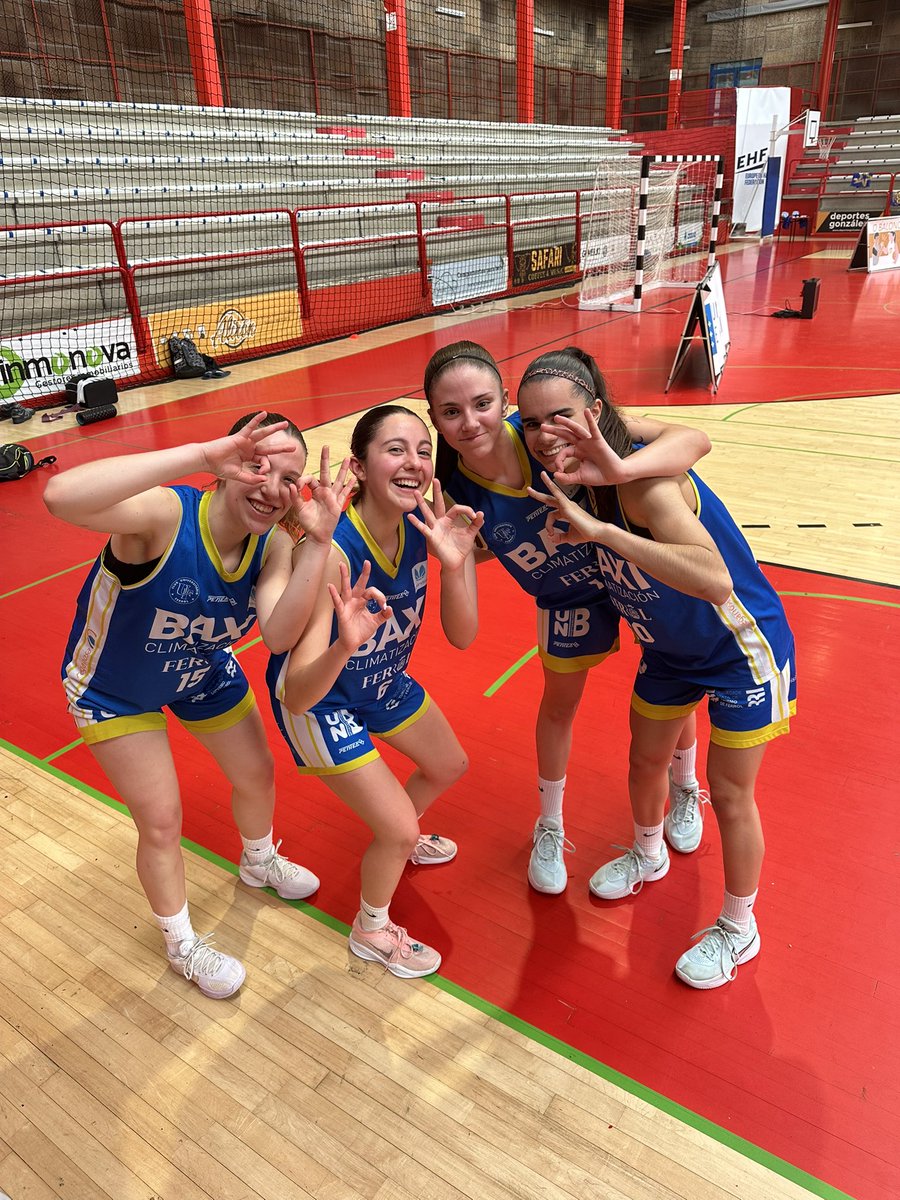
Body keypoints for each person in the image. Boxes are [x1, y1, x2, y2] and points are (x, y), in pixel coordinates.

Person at [45, 411, 354, 999]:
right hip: (114, 689)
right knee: (161, 821)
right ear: (228, 463)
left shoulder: (272, 548)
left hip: (199, 668)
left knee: (258, 772)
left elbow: (280, 632)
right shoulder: (165, 514)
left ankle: (259, 860)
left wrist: (316, 543)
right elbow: (61, 496)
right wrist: (199, 455)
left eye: (290, 478)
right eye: (256, 465)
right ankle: (181, 941)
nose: (271, 487)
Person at [520, 347, 796, 989]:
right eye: (530, 424)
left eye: (557, 417)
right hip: (670, 651)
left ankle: (739, 926)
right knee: (643, 760)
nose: (542, 436)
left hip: (740, 648)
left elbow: (715, 580)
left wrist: (604, 534)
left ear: (593, 411)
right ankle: (648, 855)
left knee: (730, 795)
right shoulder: (573, 480)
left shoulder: (643, 484)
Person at [424, 341, 711, 895]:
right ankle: (549, 825)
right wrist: (461, 560)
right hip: (567, 597)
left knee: (674, 674)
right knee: (559, 705)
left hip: (628, 565)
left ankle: (684, 786)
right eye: (450, 412)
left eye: (483, 404)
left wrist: (623, 468)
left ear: (505, 399)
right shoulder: (449, 487)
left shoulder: (547, 428)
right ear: (432, 415)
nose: (469, 422)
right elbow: (479, 568)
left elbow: (691, 439)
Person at [267, 405, 482, 978]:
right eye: (395, 449)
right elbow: (297, 696)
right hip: (321, 698)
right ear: (359, 467)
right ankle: (370, 929)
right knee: (397, 828)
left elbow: (463, 638)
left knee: (449, 764)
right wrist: (342, 646)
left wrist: (455, 566)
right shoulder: (338, 553)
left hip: (381, 678)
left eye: (422, 449)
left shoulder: (421, 527)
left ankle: (397, 837)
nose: (413, 462)